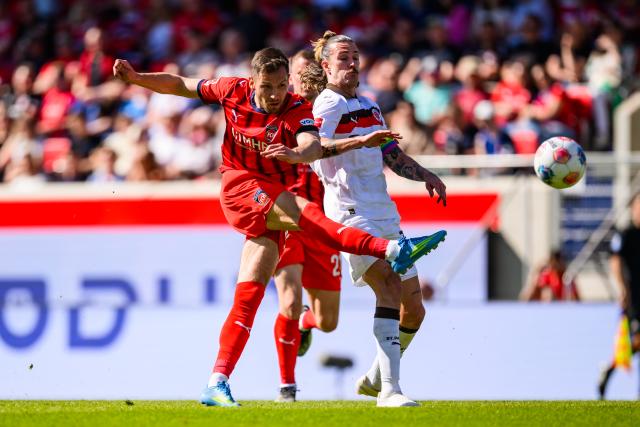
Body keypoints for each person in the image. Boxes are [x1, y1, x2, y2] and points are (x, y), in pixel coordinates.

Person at [113, 47, 446, 407]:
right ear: (252, 81)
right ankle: (390, 250)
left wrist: (297, 154)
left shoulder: (299, 109)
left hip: (276, 200)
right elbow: (181, 84)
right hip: (242, 186)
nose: (274, 95)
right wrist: (136, 79)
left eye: (280, 86)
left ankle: (216, 380)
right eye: (267, 87)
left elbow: (311, 145)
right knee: (302, 229)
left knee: (253, 296)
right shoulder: (231, 89)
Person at [298, 31, 447, 407]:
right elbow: (314, 148)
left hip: (383, 211)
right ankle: (389, 391)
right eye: (344, 58)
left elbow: (392, 155)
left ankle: (375, 376)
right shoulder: (326, 105)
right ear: (327, 65)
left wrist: (425, 174)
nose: (352, 64)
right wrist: (360, 142)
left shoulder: (370, 107)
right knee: (389, 289)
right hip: (350, 213)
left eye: (355, 57)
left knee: (414, 309)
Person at [271, 50, 339, 403]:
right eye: (296, 74)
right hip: (285, 217)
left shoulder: (330, 111)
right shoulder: (277, 111)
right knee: (290, 299)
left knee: (328, 321)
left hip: (322, 221)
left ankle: (305, 325)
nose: (301, 80)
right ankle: (288, 387)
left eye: (308, 73)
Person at [598, 193, 640, 399]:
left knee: (637, 344)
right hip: (635, 298)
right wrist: (622, 288)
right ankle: (611, 368)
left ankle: (610, 368)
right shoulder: (626, 234)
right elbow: (616, 262)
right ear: (633, 209)